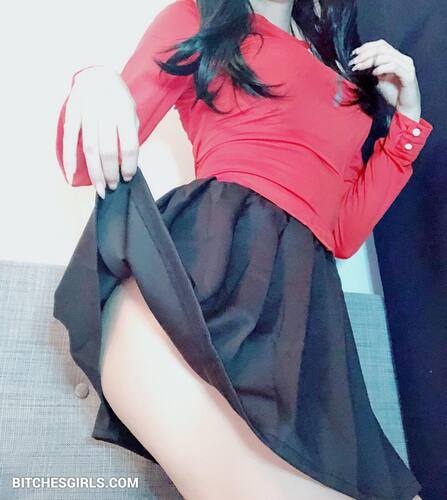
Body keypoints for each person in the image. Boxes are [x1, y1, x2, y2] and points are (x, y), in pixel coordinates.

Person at [53, 0, 432, 498]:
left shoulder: (335, 64)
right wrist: (95, 82)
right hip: (195, 294)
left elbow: (341, 233)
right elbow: (86, 163)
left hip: (302, 323)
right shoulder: (200, 18)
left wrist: (407, 122)